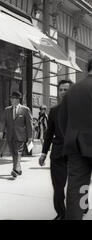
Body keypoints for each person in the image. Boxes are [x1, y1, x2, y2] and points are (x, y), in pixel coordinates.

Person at [59, 60, 92, 220]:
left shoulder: (72, 91)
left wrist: (72, 137)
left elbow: (62, 120)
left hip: (76, 147)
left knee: (78, 189)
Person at [39, 80, 73, 220]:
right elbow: (48, 134)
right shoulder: (54, 111)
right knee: (58, 189)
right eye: (61, 90)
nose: (63, 92)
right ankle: (61, 213)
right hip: (58, 154)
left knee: (75, 188)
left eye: (66, 89)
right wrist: (43, 153)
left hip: (75, 155)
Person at [0, 91, 33, 179]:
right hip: (10, 135)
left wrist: (30, 137)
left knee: (18, 152)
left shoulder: (25, 110)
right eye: (11, 98)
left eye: (13, 98)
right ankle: (19, 168)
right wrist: (1, 131)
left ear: (18, 99)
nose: (11, 100)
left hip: (20, 135)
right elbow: (3, 121)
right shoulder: (7, 110)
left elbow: (29, 124)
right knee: (14, 153)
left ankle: (15, 170)